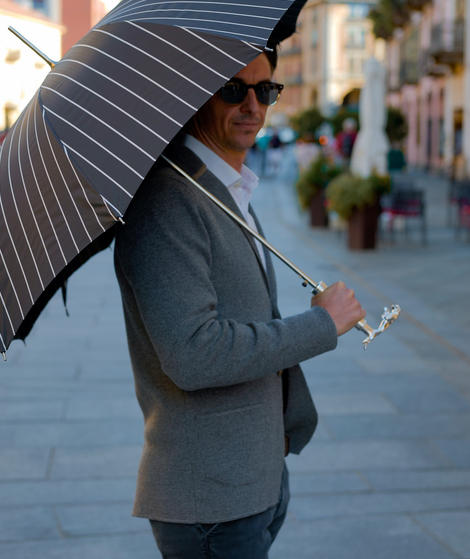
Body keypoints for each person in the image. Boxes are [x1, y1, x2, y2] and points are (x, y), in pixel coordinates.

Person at [114, 51, 366, 559]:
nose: (253, 104)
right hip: (210, 496)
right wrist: (322, 324)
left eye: (265, 90)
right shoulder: (169, 202)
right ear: (195, 94)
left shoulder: (227, 189)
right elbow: (193, 353)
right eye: (233, 89)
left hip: (255, 475)